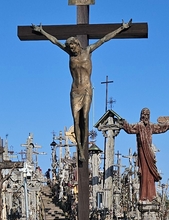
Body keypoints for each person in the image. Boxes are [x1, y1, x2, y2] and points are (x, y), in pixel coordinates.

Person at [31, 21, 132, 152]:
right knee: (75, 120)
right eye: (70, 47)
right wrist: (42, 31)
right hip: (75, 90)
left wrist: (121, 28)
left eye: (73, 46)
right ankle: (79, 149)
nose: (72, 49)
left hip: (86, 88)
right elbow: (55, 41)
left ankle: (84, 146)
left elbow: (104, 39)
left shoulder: (88, 50)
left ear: (78, 44)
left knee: (84, 117)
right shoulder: (69, 54)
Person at [120, 108, 169, 202]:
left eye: (147, 115)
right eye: (144, 114)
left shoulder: (151, 126)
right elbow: (129, 128)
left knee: (150, 175)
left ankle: (152, 195)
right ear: (141, 115)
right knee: (144, 173)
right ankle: (144, 195)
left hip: (149, 151)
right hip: (142, 151)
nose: (146, 117)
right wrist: (123, 123)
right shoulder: (139, 125)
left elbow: (160, 128)